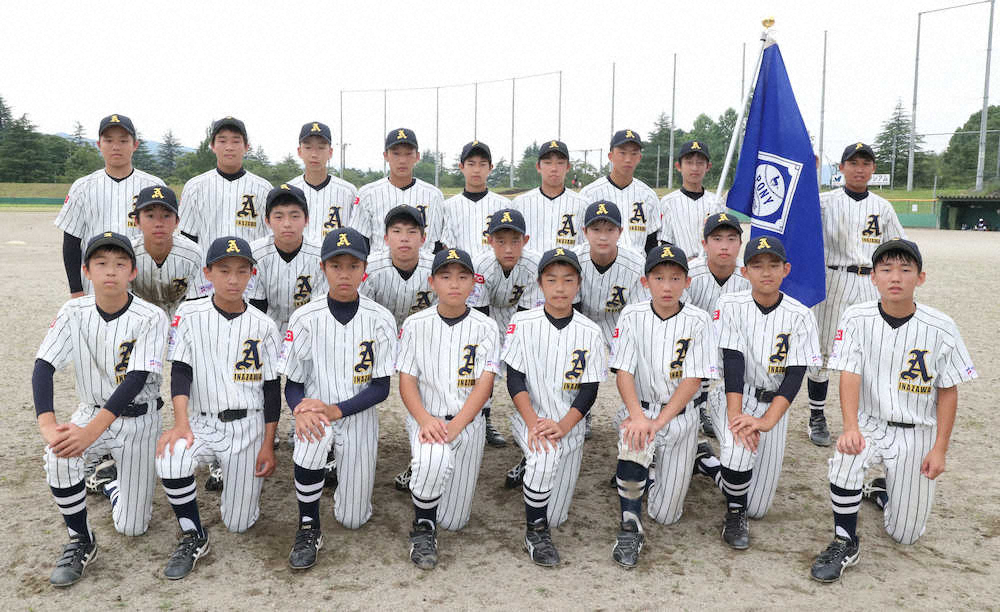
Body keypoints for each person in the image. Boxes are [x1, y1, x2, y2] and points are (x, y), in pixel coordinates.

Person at [809, 239, 977, 583]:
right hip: (870, 423)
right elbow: (849, 374)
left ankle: (881, 492)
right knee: (846, 458)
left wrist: (940, 448)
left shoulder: (941, 326)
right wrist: (850, 427)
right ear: (874, 277)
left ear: (921, 277)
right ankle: (845, 541)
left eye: (905, 269)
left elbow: (948, 390)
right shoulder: (856, 317)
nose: (895, 277)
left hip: (917, 432)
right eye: (886, 270)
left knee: (905, 534)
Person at [33, 232, 168, 587]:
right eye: (101, 263)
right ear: (86, 271)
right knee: (59, 454)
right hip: (90, 410)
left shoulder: (151, 316)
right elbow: (43, 366)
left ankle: (109, 483)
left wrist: (90, 434)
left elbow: (136, 379)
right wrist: (48, 426)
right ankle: (81, 539)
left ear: (132, 272)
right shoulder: (73, 311)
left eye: (120, 264)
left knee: (132, 527)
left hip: (139, 418)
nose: (111, 271)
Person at [155, 236, 281, 579]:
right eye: (224, 270)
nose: (233, 279)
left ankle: (233, 481)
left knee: (240, 523)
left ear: (252, 275)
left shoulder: (264, 325)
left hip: (247, 427)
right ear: (208, 272)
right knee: (172, 457)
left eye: (241, 271)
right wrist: (181, 424)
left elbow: (272, 390)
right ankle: (193, 534)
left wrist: (268, 443)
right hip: (202, 422)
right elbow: (181, 372)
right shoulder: (189, 313)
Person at [280, 227, 396, 570]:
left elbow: (381, 387)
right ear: (323, 268)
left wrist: (337, 410)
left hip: (357, 416)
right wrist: (299, 411)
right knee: (312, 436)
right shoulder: (304, 317)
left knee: (352, 519)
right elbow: (292, 385)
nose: (344, 274)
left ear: (365, 270)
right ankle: (308, 525)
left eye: (352, 266)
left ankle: (335, 472)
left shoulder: (381, 318)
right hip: (316, 413)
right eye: (336, 266)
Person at [697, 236, 821, 550]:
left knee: (759, 507)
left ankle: (708, 464)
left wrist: (766, 422)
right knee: (739, 453)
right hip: (733, 396)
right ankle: (734, 514)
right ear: (745, 271)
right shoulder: (731, 304)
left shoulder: (801, 314)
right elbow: (733, 362)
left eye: (773, 265)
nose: (766, 272)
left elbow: (795, 376)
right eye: (757, 265)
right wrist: (737, 417)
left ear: (786, 269)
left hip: (774, 406)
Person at [608, 244, 719, 568]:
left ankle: (676, 464)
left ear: (687, 282)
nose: (667, 286)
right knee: (634, 437)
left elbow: (693, 380)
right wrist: (639, 417)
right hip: (639, 409)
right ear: (645, 282)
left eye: (675, 278)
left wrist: (658, 422)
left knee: (666, 515)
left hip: (680, 416)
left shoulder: (699, 320)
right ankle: (630, 527)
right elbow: (624, 372)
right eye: (658, 277)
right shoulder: (632, 315)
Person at [501, 247, 607, 566]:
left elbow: (589, 390)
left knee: (556, 515)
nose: (560, 287)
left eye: (568, 280)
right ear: (540, 284)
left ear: (579, 284)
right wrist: (534, 423)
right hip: (530, 418)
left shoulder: (590, 331)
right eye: (551, 279)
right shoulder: (522, 322)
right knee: (544, 457)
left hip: (569, 425)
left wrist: (563, 426)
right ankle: (535, 533)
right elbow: (515, 380)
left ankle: (533, 471)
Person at [397, 248, 500, 569]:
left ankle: (424, 482)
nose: (454, 283)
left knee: (454, 521)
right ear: (432, 282)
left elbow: (485, 384)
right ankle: (423, 526)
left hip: (468, 423)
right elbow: (406, 381)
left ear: (474, 283)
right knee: (433, 458)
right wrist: (425, 419)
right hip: (426, 419)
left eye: (462, 276)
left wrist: (457, 425)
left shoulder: (487, 326)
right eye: (445, 276)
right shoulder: (414, 324)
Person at [807, 143, 906, 448]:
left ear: (873, 169)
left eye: (865, 163)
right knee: (823, 350)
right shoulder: (824, 202)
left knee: (869, 350)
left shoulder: (882, 207)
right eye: (853, 163)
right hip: (833, 279)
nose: (859, 169)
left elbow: (899, 247)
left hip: (869, 283)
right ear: (841, 168)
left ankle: (868, 416)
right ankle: (816, 415)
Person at [56, 114, 165, 297]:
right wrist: (76, 290)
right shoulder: (82, 187)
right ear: (99, 144)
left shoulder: (154, 187)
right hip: (94, 287)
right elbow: (71, 243)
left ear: (135, 145)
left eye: (123, 140)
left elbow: (165, 240)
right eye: (108, 140)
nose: (116, 146)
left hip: (144, 285)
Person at [573, 201, 648, 440]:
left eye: (610, 229)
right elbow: (569, 308)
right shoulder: (574, 259)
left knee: (638, 359)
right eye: (596, 229)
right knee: (574, 359)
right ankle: (580, 413)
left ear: (620, 232)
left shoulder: (636, 263)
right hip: (583, 318)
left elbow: (637, 314)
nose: (603, 236)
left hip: (619, 319)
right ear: (584, 232)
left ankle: (637, 410)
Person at [178, 116, 273, 296]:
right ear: (212, 146)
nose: (229, 147)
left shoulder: (264, 188)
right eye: (222, 141)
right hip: (204, 284)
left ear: (246, 146)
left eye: (236, 141)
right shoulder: (194, 186)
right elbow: (187, 240)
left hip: (252, 285)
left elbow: (269, 241)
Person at [682, 212, 750, 437]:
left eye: (731, 239)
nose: (724, 246)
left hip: (735, 347)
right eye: (717, 239)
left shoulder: (750, 275)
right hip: (692, 345)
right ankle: (698, 406)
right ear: (704, 244)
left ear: (740, 243)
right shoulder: (689, 274)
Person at [353, 128, 444, 253]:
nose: (402, 160)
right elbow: (359, 240)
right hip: (379, 262)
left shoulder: (434, 195)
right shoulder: (367, 193)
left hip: (424, 262)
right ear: (386, 156)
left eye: (408, 154)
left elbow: (437, 242)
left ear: (417, 156)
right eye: (396, 154)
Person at [578, 129, 660, 253]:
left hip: (638, 263)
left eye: (634, 153)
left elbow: (651, 242)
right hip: (599, 262)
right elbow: (582, 238)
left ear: (639, 157)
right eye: (622, 153)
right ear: (610, 156)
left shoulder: (649, 196)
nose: (628, 159)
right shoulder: (589, 194)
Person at [129, 186, 202, 318]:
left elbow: (198, 301)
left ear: (177, 222)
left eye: (166, 216)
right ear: (137, 221)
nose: (158, 223)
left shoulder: (193, 254)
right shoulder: (127, 253)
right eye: (150, 216)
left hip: (182, 324)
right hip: (138, 323)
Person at [359, 205, 436, 328]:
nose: (404, 238)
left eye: (412, 232)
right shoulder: (369, 268)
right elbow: (362, 313)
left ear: (423, 239)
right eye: (397, 231)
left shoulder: (436, 268)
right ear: (386, 238)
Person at [286, 121, 359, 241]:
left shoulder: (349, 191)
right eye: (308, 147)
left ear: (330, 152)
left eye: (321, 148)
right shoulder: (288, 190)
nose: (314, 154)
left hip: (335, 252)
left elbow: (356, 233)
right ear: (299, 151)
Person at [512, 140, 588, 251]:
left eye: (560, 163)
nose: (554, 168)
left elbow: (586, 245)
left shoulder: (583, 204)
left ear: (568, 167)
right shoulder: (519, 203)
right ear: (538, 167)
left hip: (569, 262)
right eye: (548, 163)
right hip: (530, 262)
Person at [439, 140, 510, 255]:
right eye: (471, 164)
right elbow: (447, 246)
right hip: (461, 265)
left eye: (482, 164)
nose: (476, 170)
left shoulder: (505, 205)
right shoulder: (448, 206)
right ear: (461, 167)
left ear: (490, 168)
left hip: (495, 265)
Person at [657, 140, 725, 259]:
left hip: (711, 265)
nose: (694, 168)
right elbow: (665, 243)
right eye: (689, 162)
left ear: (708, 166)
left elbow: (723, 240)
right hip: (680, 265)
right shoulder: (668, 202)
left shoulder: (716, 202)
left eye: (700, 163)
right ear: (678, 166)